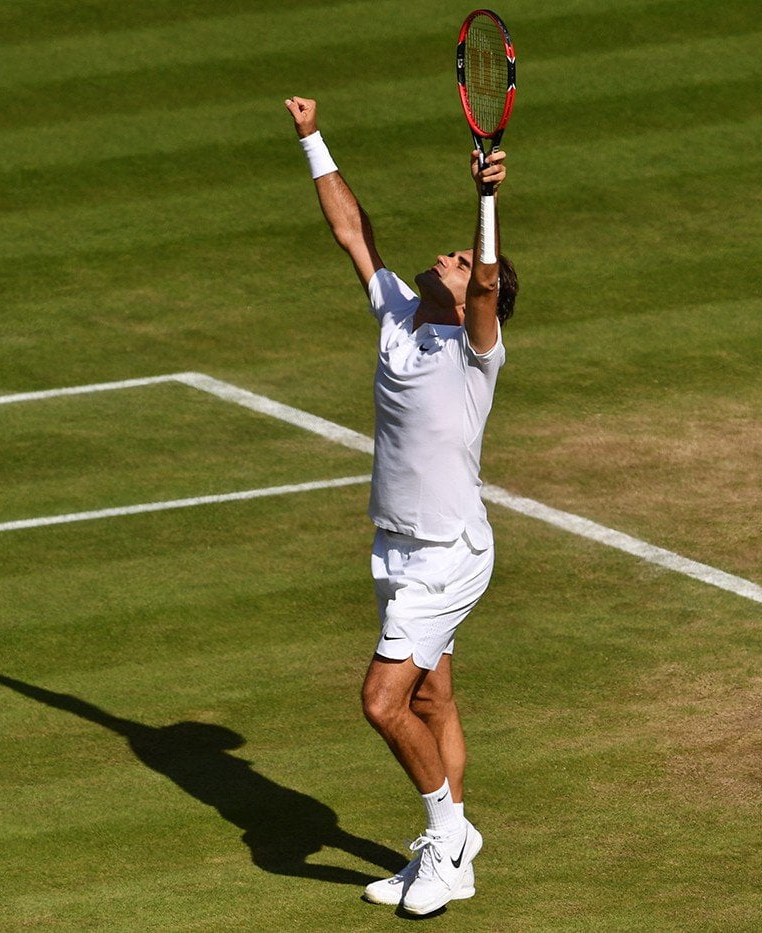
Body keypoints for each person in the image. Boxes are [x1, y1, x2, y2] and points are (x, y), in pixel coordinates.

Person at [284, 96, 517, 916]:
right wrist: (314, 137)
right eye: (455, 257)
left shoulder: (472, 351)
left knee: (382, 701)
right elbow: (354, 229)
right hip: (393, 548)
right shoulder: (396, 315)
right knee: (432, 698)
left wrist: (486, 197)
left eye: (458, 261)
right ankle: (448, 845)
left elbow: (488, 282)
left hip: (448, 554)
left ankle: (449, 842)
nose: (449, 259)